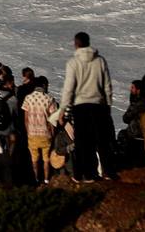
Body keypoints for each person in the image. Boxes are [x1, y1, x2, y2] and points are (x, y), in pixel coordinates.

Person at [59, 31, 115, 182]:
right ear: (89, 42)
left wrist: (63, 108)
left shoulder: (73, 63)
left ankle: (86, 174)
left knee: (83, 142)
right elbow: (107, 85)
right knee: (102, 141)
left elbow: (69, 88)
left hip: (81, 106)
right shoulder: (100, 61)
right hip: (99, 105)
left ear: (76, 44)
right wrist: (108, 103)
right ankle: (108, 172)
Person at [21, 75, 59, 183]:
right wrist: (53, 133)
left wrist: (28, 131)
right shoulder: (50, 99)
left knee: (34, 159)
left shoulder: (28, 98)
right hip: (45, 134)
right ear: (44, 85)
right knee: (46, 159)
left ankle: (36, 179)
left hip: (32, 134)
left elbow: (26, 118)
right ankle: (46, 179)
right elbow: (52, 120)